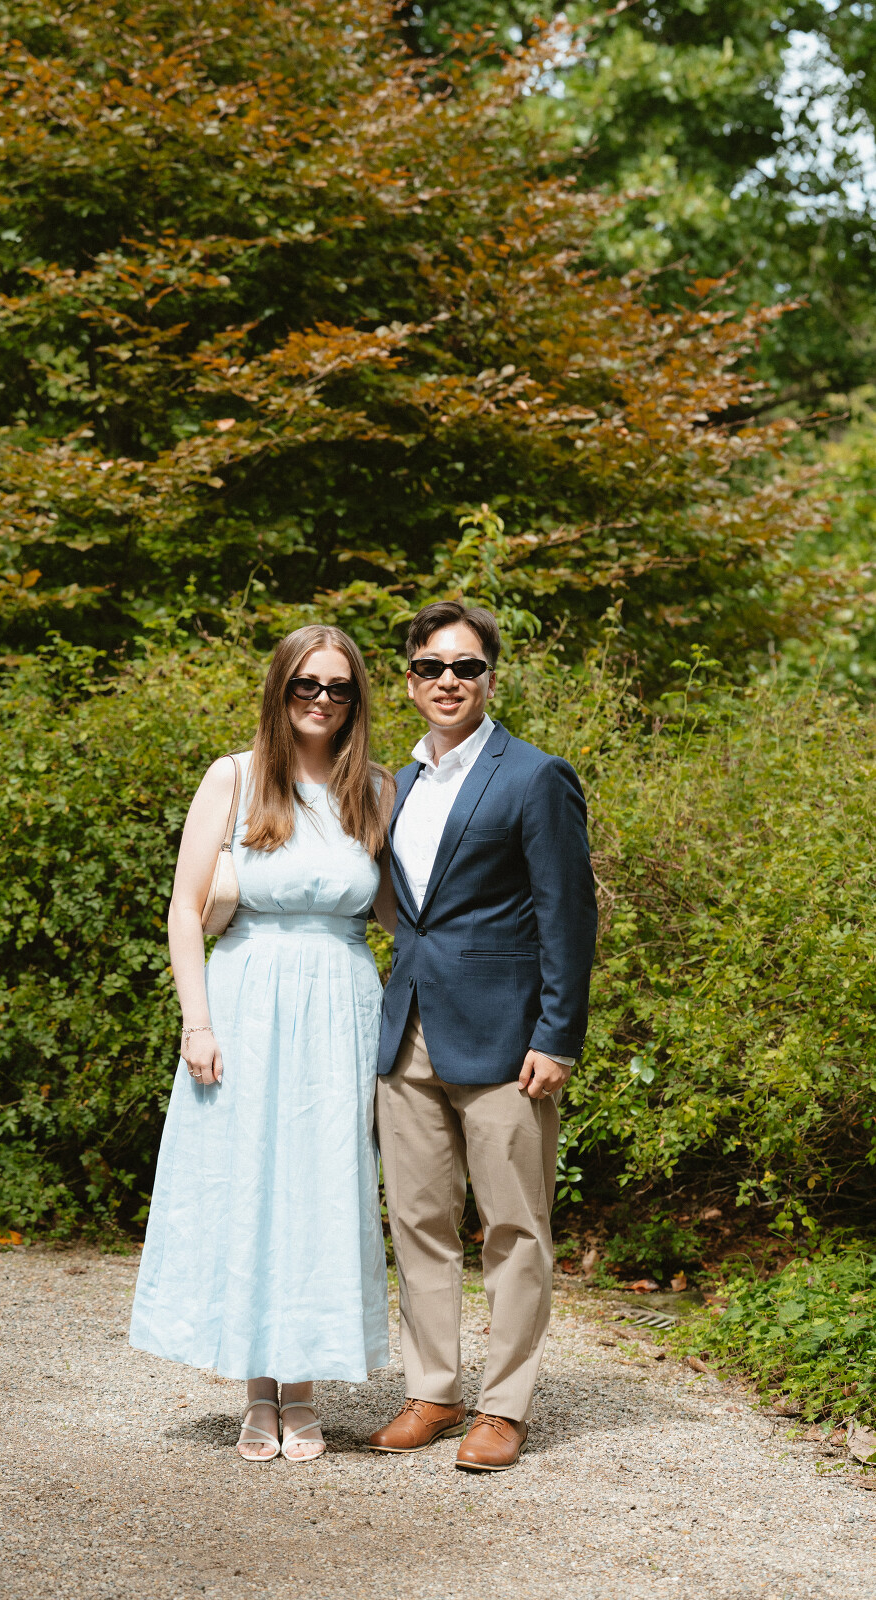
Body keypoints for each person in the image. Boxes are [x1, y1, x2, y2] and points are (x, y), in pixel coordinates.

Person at [130, 625, 395, 1462]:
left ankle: (303, 1390)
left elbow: (400, 913)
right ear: (280, 689)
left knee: (325, 1188)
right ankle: (256, 1391)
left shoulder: (375, 789)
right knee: (247, 1184)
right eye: (305, 685)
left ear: (356, 699)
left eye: (338, 687)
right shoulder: (235, 777)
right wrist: (197, 1022)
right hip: (246, 999)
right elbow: (184, 910)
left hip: (342, 1002)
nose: (321, 700)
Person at [369, 600, 598, 1471]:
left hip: (507, 1040)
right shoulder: (393, 785)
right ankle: (432, 1392)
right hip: (408, 1031)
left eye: (465, 667)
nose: (447, 681)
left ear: (489, 678)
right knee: (417, 1220)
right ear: (409, 680)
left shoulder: (534, 776)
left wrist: (557, 1034)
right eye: (431, 666)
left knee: (514, 1226)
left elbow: (567, 914)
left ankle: (503, 1407)